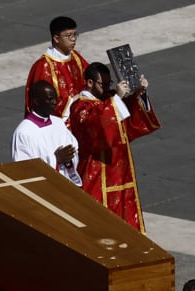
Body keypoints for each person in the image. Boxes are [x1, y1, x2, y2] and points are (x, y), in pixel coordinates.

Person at [69, 62, 161, 233]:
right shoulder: (80, 106)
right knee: (98, 226)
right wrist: (116, 98)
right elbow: (98, 125)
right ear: (90, 83)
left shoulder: (109, 99)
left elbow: (131, 119)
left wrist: (140, 92)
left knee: (125, 225)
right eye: (103, 84)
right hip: (96, 173)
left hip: (121, 172)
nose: (107, 88)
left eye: (109, 83)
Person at [12, 80, 82, 186]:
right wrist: (56, 159)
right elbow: (23, 169)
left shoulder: (58, 123)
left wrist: (69, 157)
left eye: (55, 98)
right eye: (50, 99)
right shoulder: (23, 132)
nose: (55, 102)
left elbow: (74, 150)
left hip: (65, 185)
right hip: (44, 189)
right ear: (36, 101)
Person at [25, 16, 89, 118]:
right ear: (56, 38)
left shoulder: (76, 57)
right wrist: (73, 101)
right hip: (59, 120)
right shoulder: (43, 66)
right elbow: (41, 102)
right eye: (69, 36)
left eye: (75, 34)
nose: (73, 39)